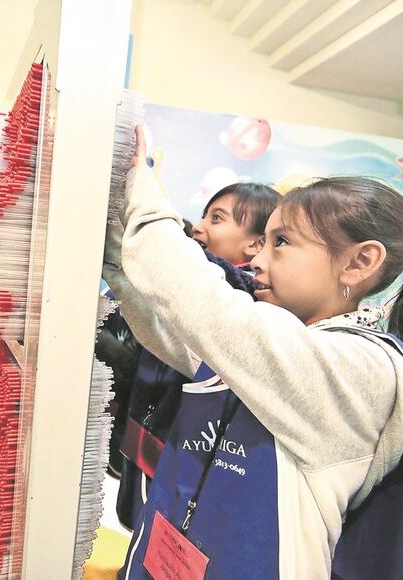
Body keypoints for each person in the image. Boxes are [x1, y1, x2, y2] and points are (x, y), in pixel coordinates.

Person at [107, 128, 403, 580]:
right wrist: (112, 246)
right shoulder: (293, 347)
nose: (258, 260)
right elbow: (171, 327)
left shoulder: (361, 370)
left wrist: (139, 178)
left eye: (281, 242)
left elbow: (201, 307)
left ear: (359, 263)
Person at [114, 183, 280, 529]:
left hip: (179, 446)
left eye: (216, 219)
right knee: (134, 515)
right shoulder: (190, 287)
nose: (199, 226)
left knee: (160, 526)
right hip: (145, 423)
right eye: (204, 215)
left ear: (255, 244)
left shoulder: (241, 303)